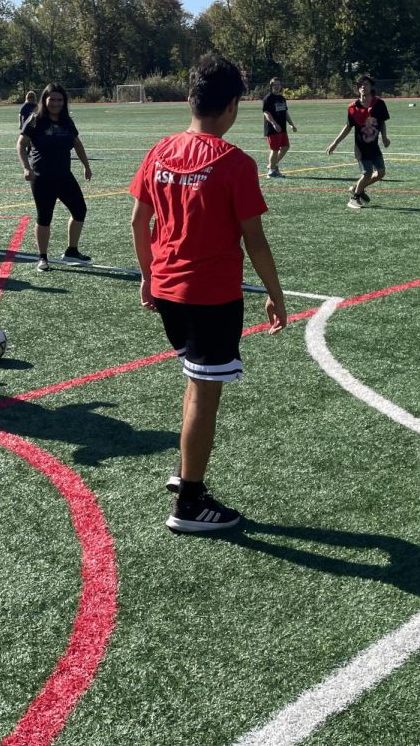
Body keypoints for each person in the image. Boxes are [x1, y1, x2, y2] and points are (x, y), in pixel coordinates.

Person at [129, 53, 287, 534]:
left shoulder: (159, 150)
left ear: (191, 98)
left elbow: (138, 222)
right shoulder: (234, 162)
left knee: (194, 380)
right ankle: (191, 504)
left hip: (169, 291)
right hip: (210, 297)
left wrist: (147, 274)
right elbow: (254, 240)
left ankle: (186, 475)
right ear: (234, 105)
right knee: (204, 391)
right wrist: (275, 294)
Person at [17, 83, 94, 271]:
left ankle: (71, 251)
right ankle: (42, 257)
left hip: (64, 175)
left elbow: (77, 143)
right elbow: (20, 144)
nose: (56, 103)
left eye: (60, 100)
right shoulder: (35, 120)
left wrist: (86, 166)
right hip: (41, 177)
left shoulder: (67, 121)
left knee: (79, 211)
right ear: (45, 99)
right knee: (44, 217)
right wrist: (26, 168)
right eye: (52, 99)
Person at [326, 76, 390, 208]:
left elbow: (382, 122)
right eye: (360, 85)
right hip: (361, 147)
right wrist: (335, 143)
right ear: (358, 89)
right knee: (366, 173)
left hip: (374, 145)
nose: (363, 87)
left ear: (371, 87)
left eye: (366, 84)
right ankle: (354, 199)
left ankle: (356, 188)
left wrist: (384, 137)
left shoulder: (379, 103)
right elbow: (348, 126)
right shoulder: (353, 107)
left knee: (381, 173)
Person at [262, 77, 298, 178]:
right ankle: (271, 172)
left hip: (282, 128)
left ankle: (272, 166)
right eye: (275, 85)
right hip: (273, 128)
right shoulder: (268, 98)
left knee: (286, 147)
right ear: (271, 86)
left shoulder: (282, 98)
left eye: (278, 84)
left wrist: (291, 124)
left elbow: (285, 112)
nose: (277, 86)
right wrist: (274, 123)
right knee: (274, 149)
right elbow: (266, 112)